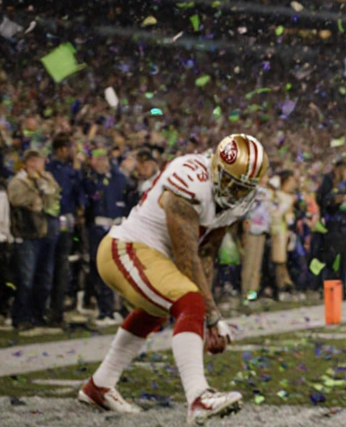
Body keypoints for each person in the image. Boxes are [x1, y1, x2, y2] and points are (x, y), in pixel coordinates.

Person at [78, 134, 268, 425]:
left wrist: (209, 311)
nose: (234, 192)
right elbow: (187, 258)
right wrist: (211, 316)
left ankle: (99, 386)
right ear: (215, 167)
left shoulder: (238, 202)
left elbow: (205, 255)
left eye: (242, 187)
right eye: (230, 181)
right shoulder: (190, 178)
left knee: (155, 313)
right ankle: (198, 397)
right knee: (189, 301)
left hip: (152, 257)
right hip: (124, 249)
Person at [8, 149, 61, 331]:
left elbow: (54, 195)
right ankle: (21, 316)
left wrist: (40, 185)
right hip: (28, 232)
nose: (41, 164)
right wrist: (38, 196)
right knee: (26, 278)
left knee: (45, 277)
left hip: (47, 231)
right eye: (38, 161)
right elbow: (17, 200)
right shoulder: (17, 181)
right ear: (29, 162)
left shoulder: (46, 177)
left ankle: (38, 315)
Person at [81, 148, 130, 325]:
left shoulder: (119, 178)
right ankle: (105, 308)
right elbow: (89, 202)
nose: (101, 163)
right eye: (97, 159)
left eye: (103, 158)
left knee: (117, 269)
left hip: (116, 226)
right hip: (99, 228)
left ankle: (115, 308)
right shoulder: (90, 179)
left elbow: (127, 199)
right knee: (100, 268)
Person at [46, 134, 83, 326]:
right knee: (50, 267)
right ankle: (47, 310)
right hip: (52, 222)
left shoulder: (71, 169)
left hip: (67, 223)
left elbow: (79, 192)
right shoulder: (52, 169)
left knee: (62, 268)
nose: (72, 152)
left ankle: (57, 311)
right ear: (61, 149)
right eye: (70, 148)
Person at [315, 160, 346, 291]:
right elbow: (322, 200)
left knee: (344, 259)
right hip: (332, 225)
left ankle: (341, 288)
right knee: (331, 258)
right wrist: (333, 200)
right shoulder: (328, 181)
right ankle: (329, 288)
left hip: (344, 224)